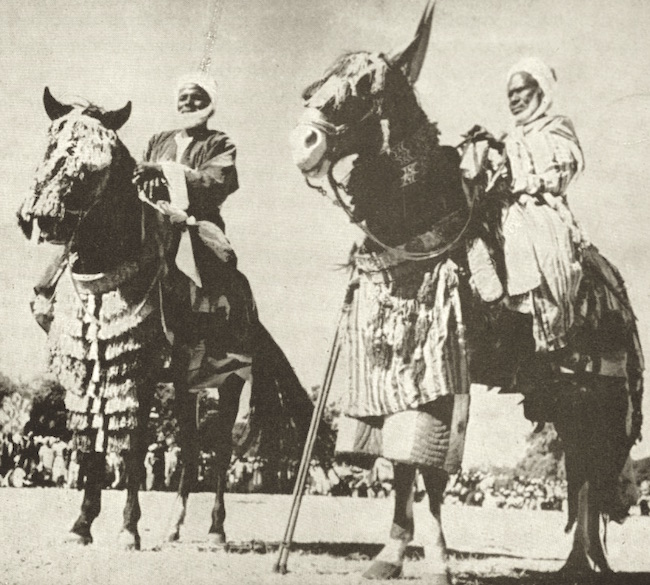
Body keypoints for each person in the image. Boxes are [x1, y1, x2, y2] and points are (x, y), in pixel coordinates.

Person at [495, 57, 586, 353]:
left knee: (544, 247)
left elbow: (564, 169)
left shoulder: (555, 127)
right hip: (506, 203)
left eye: (521, 90)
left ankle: (550, 326)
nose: (515, 99)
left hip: (541, 205)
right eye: (510, 93)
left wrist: (533, 183)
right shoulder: (509, 138)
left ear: (540, 90)